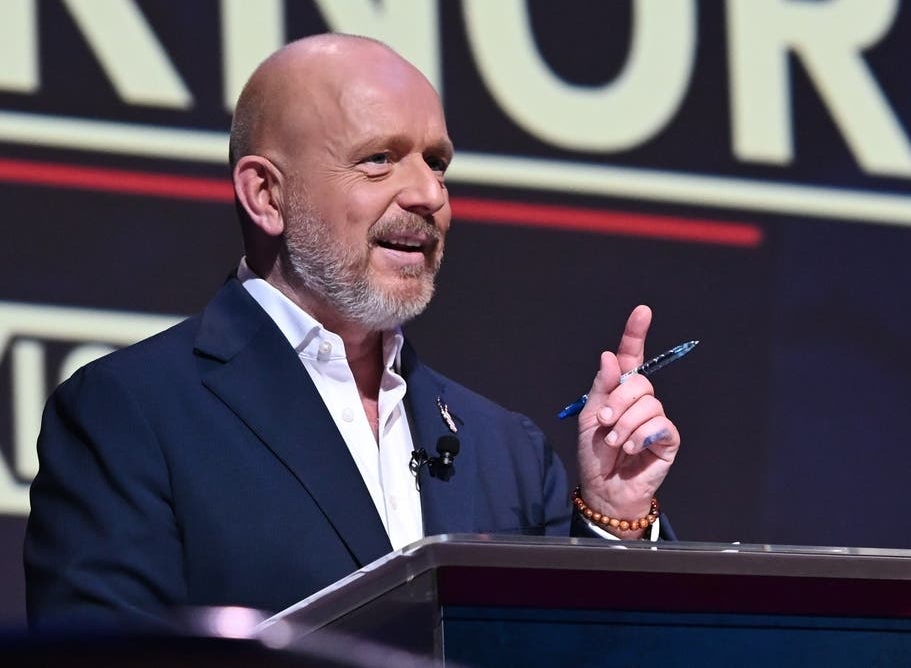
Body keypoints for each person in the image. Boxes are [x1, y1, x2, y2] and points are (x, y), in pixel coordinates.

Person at [24, 34, 680, 630]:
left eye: (437, 162)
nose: (428, 194)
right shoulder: (131, 413)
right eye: (379, 159)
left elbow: (593, 649)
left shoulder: (504, 447)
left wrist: (612, 515)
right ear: (265, 195)